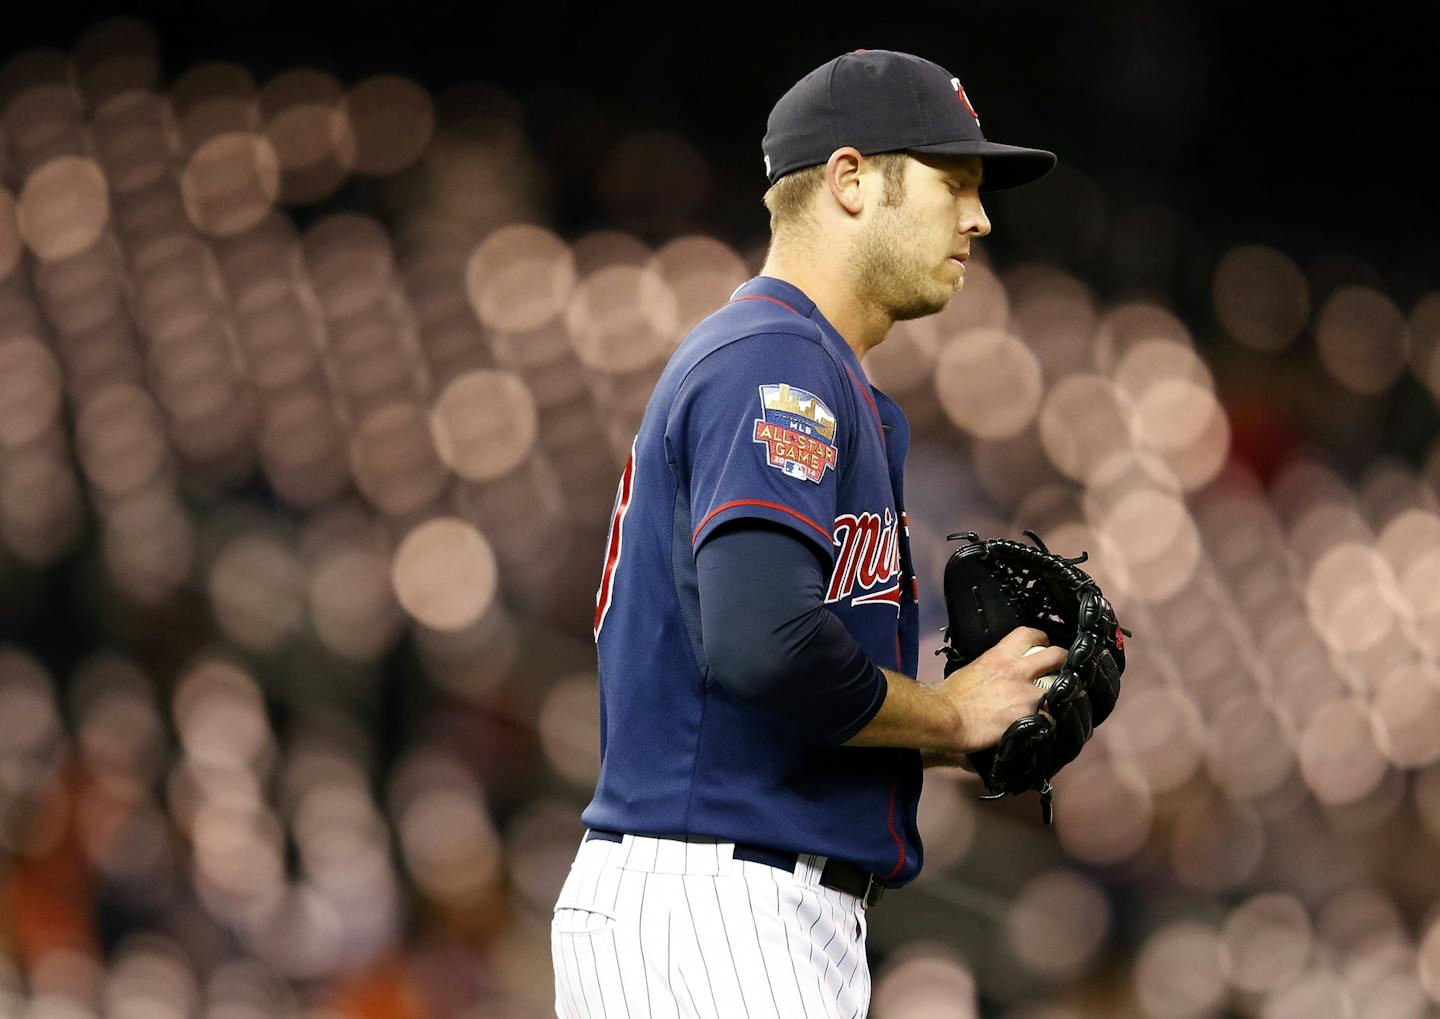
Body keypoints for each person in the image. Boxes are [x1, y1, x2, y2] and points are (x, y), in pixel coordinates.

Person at [552, 49, 1062, 1019]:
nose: (979, 217)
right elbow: (766, 643)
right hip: (717, 904)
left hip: (732, 906)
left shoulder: (817, 374)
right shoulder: (773, 360)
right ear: (852, 179)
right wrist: (949, 716)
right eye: (954, 182)